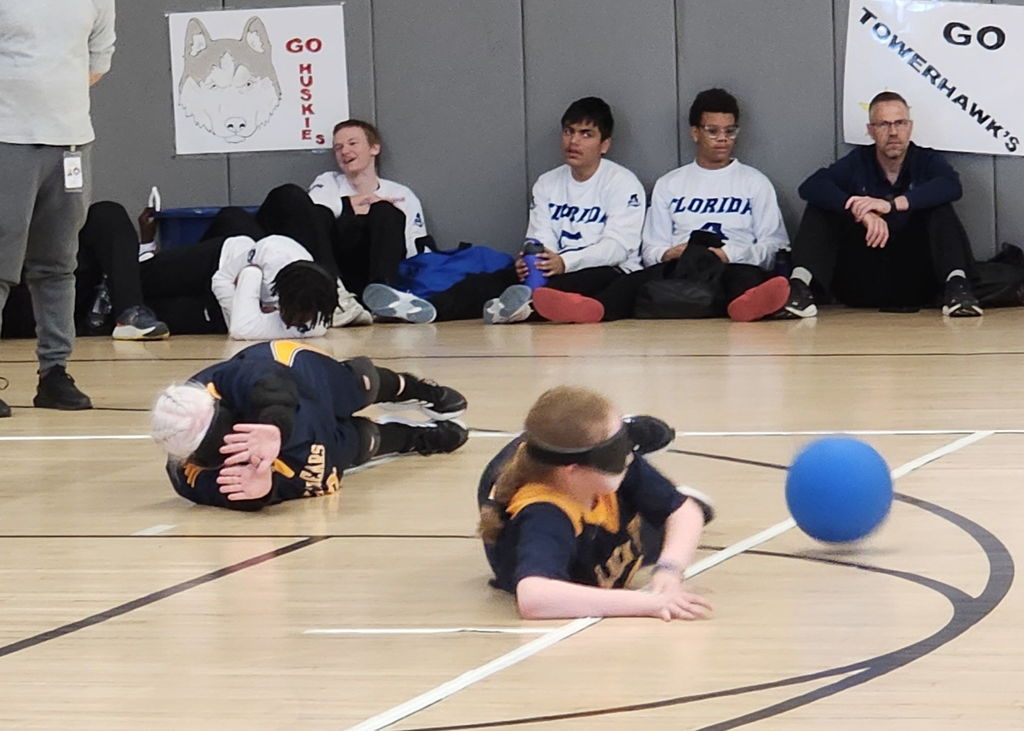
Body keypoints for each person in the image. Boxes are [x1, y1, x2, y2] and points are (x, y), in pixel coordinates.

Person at [360, 97, 646, 324]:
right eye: (569, 131)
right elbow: (539, 235)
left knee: (574, 283)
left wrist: (563, 262)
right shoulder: (548, 182)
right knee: (487, 280)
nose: (574, 141)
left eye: (586, 134)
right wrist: (532, 258)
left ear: (604, 144)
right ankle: (424, 308)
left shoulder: (622, 183)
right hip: (552, 267)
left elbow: (617, 247)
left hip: (607, 270)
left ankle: (522, 307)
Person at [530, 88, 791, 323]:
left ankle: (746, 307)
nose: (722, 138)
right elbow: (650, 249)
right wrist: (668, 254)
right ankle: (596, 309)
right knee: (631, 282)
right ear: (695, 133)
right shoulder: (670, 184)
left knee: (746, 277)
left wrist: (730, 254)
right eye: (712, 131)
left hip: (731, 263)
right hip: (679, 265)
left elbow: (774, 247)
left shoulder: (755, 183)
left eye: (729, 131)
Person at [477, 386, 714, 620]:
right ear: (573, 469)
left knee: (664, 523)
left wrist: (670, 572)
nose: (627, 457)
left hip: (581, 477)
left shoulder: (612, 469)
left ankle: (627, 431)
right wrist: (649, 603)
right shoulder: (545, 516)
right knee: (643, 536)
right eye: (616, 450)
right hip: (559, 504)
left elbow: (684, 511)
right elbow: (534, 599)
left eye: (624, 443)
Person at [150, 340, 469, 511]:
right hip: (301, 453)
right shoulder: (188, 478)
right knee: (364, 442)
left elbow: (269, 379)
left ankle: (417, 390)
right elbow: (239, 495)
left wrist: (273, 425)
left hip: (305, 381)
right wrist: (263, 492)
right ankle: (414, 439)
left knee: (362, 384)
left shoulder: (216, 382)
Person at [0, 1, 116, 417]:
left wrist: (53, 107)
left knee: (58, 264)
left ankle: (55, 373)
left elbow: (98, 59)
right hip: (7, 138)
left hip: (70, 141)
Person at [776, 90, 982, 319]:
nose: (893, 132)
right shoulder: (859, 161)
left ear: (910, 127)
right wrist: (856, 207)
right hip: (864, 278)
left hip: (920, 280)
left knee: (940, 207)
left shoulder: (925, 160)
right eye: (883, 124)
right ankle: (798, 288)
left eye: (900, 123)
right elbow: (811, 186)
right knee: (821, 206)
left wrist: (891, 205)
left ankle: (957, 289)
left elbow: (951, 186)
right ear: (870, 130)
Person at [74, 201, 339, 340]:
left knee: (164, 317)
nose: (295, 322)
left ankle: (104, 308)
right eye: (293, 314)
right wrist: (243, 306)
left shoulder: (315, 321)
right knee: (145, 279)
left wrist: (238, 315)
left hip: (224, 306)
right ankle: (110, 285)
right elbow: (222, 280)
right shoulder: (270, 257)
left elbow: (241, 329)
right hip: (217, 261)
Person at [308, 119, 431, 298]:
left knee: (384, 211)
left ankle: (382, 295)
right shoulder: (327, 182)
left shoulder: (401, 194)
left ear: (374, 148)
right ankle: (337, 294)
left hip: (384, 270)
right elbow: (312, 219)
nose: (345, 151)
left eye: (352, 143)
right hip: (341, 270)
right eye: (338, 147)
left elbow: (415, 247)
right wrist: (352, 204)